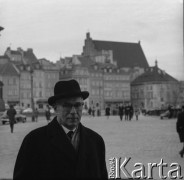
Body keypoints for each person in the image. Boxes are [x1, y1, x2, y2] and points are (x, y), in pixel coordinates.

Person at [13, 79, 108, 179]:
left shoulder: (96, 141)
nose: (73, 111)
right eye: (66, 105)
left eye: (78, 105)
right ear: (55, 108)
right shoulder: (34, 141)